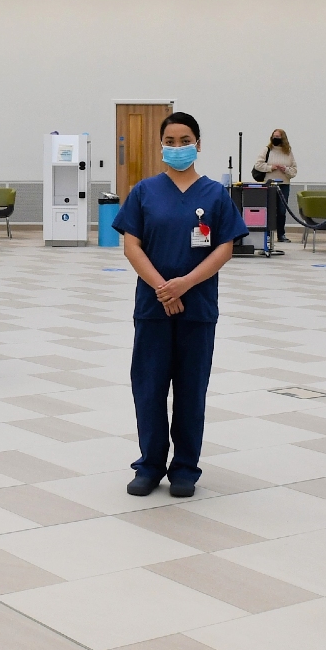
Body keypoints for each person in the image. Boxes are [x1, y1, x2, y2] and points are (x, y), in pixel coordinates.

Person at [113, 113, 249, 498]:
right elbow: (131, 244)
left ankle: (185, 468)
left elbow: (225, 247)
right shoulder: (144, 192)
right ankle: (150, 465)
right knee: (149, 386)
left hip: (198, 307)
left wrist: (186, 284)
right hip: (154, 307)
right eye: (170, 141)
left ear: (199, 144)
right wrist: (162, 288)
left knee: (191, 390)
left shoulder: (215, 195)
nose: (177, 147)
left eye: (184, 140)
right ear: (161, 146)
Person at [252, 128, 297, 243]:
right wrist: (271, 167)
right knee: (269, 209)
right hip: (270, 184)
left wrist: (285, 169)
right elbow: (258, 165)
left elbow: (294, 171)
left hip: (284, 184)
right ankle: (267, 234)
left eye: (278, 137)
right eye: (274, 136)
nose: (276, 138)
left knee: (282, 210)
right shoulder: (267, 150)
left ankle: (281, 234)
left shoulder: (288, 152)